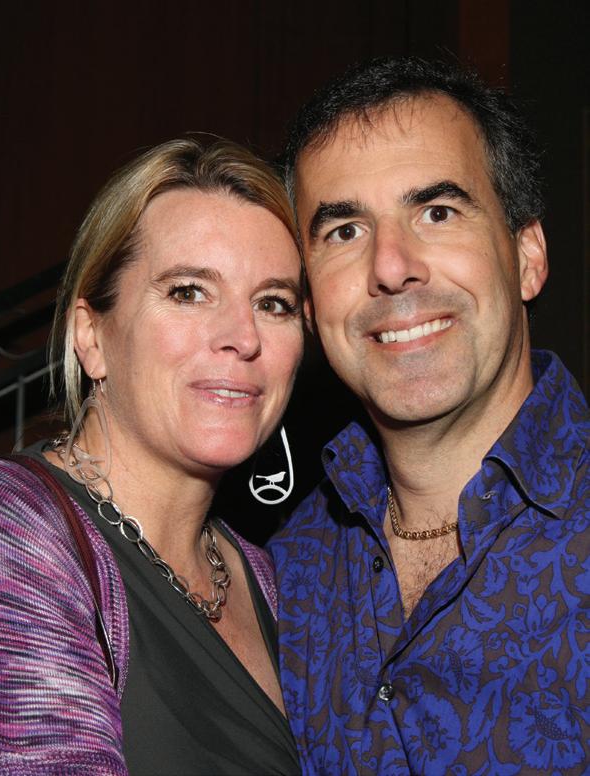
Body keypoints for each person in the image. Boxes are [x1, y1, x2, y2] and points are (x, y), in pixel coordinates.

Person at [269, 57, 589, 775]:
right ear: (311, 307)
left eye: (437, 213)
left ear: (527, 256)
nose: (391, 266)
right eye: (344, 231)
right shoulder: (279, 573)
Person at [0, 137, 304, 775]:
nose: (243, 337)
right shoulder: (13, 529)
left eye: (273, 303)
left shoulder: (271, 576)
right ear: (91, 335)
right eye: (189, 292)